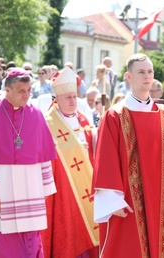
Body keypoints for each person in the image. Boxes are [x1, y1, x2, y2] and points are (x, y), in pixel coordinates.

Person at [92, 53, 164, 257]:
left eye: (150, 71)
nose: (147, 76)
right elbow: (105, 159)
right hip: (128, 198)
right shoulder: (116, 114)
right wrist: (112, 199)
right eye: (141, 72)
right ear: (129, 76)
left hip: (162, 197)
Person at [0, 68, 57, 257]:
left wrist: (44, 188)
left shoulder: (37, 115)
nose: (27, 95)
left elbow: (43, 155)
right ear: (7, 90)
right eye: (22, 90)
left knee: (27, 246)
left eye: (29, 90)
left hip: (29, 195)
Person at [42, 67, 98, 258]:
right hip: (64, 188)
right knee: (69, 232)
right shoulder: (48, 123)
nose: (73, 101)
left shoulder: (83, 119)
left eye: (74, 96)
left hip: (88, 184)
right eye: (68, 97)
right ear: (57, 99)